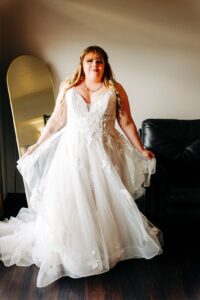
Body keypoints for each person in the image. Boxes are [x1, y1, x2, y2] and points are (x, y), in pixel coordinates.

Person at [0, 46, 162, 288]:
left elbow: (126, 121)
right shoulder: (68, 87)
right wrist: (37, 144)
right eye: (90, 60)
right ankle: (71, 247)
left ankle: (104, 246)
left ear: (105, 64)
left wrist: (140, 149)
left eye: (99, 61)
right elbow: (56, 121)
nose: (94, 65)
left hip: (104, 155)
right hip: (71, 154)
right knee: (73, 200)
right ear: (82, 63)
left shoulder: (114, 90)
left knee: (101, 200)